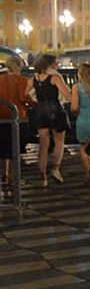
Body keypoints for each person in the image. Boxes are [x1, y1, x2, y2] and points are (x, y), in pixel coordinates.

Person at [26, 54, 71, 186]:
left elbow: (25, 93)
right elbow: (67, 95)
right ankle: (55, 168)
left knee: (43, 144)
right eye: (56, 63)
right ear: (50, 64)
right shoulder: (55, 78)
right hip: (55, 110)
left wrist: (35, 102)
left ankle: (43, 176)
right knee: (59, 142)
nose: (57, 65)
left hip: (40, 111)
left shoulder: (34, 78)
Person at [0, 56, 32, 195]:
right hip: (17, 117)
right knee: (15, 149)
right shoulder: (22, 80)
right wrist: (32, 104)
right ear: (19, 66)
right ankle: (14, 179)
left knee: (3, 148)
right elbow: (23, 98)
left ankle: (4, 176)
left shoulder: (0, 79)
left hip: (1, 117)